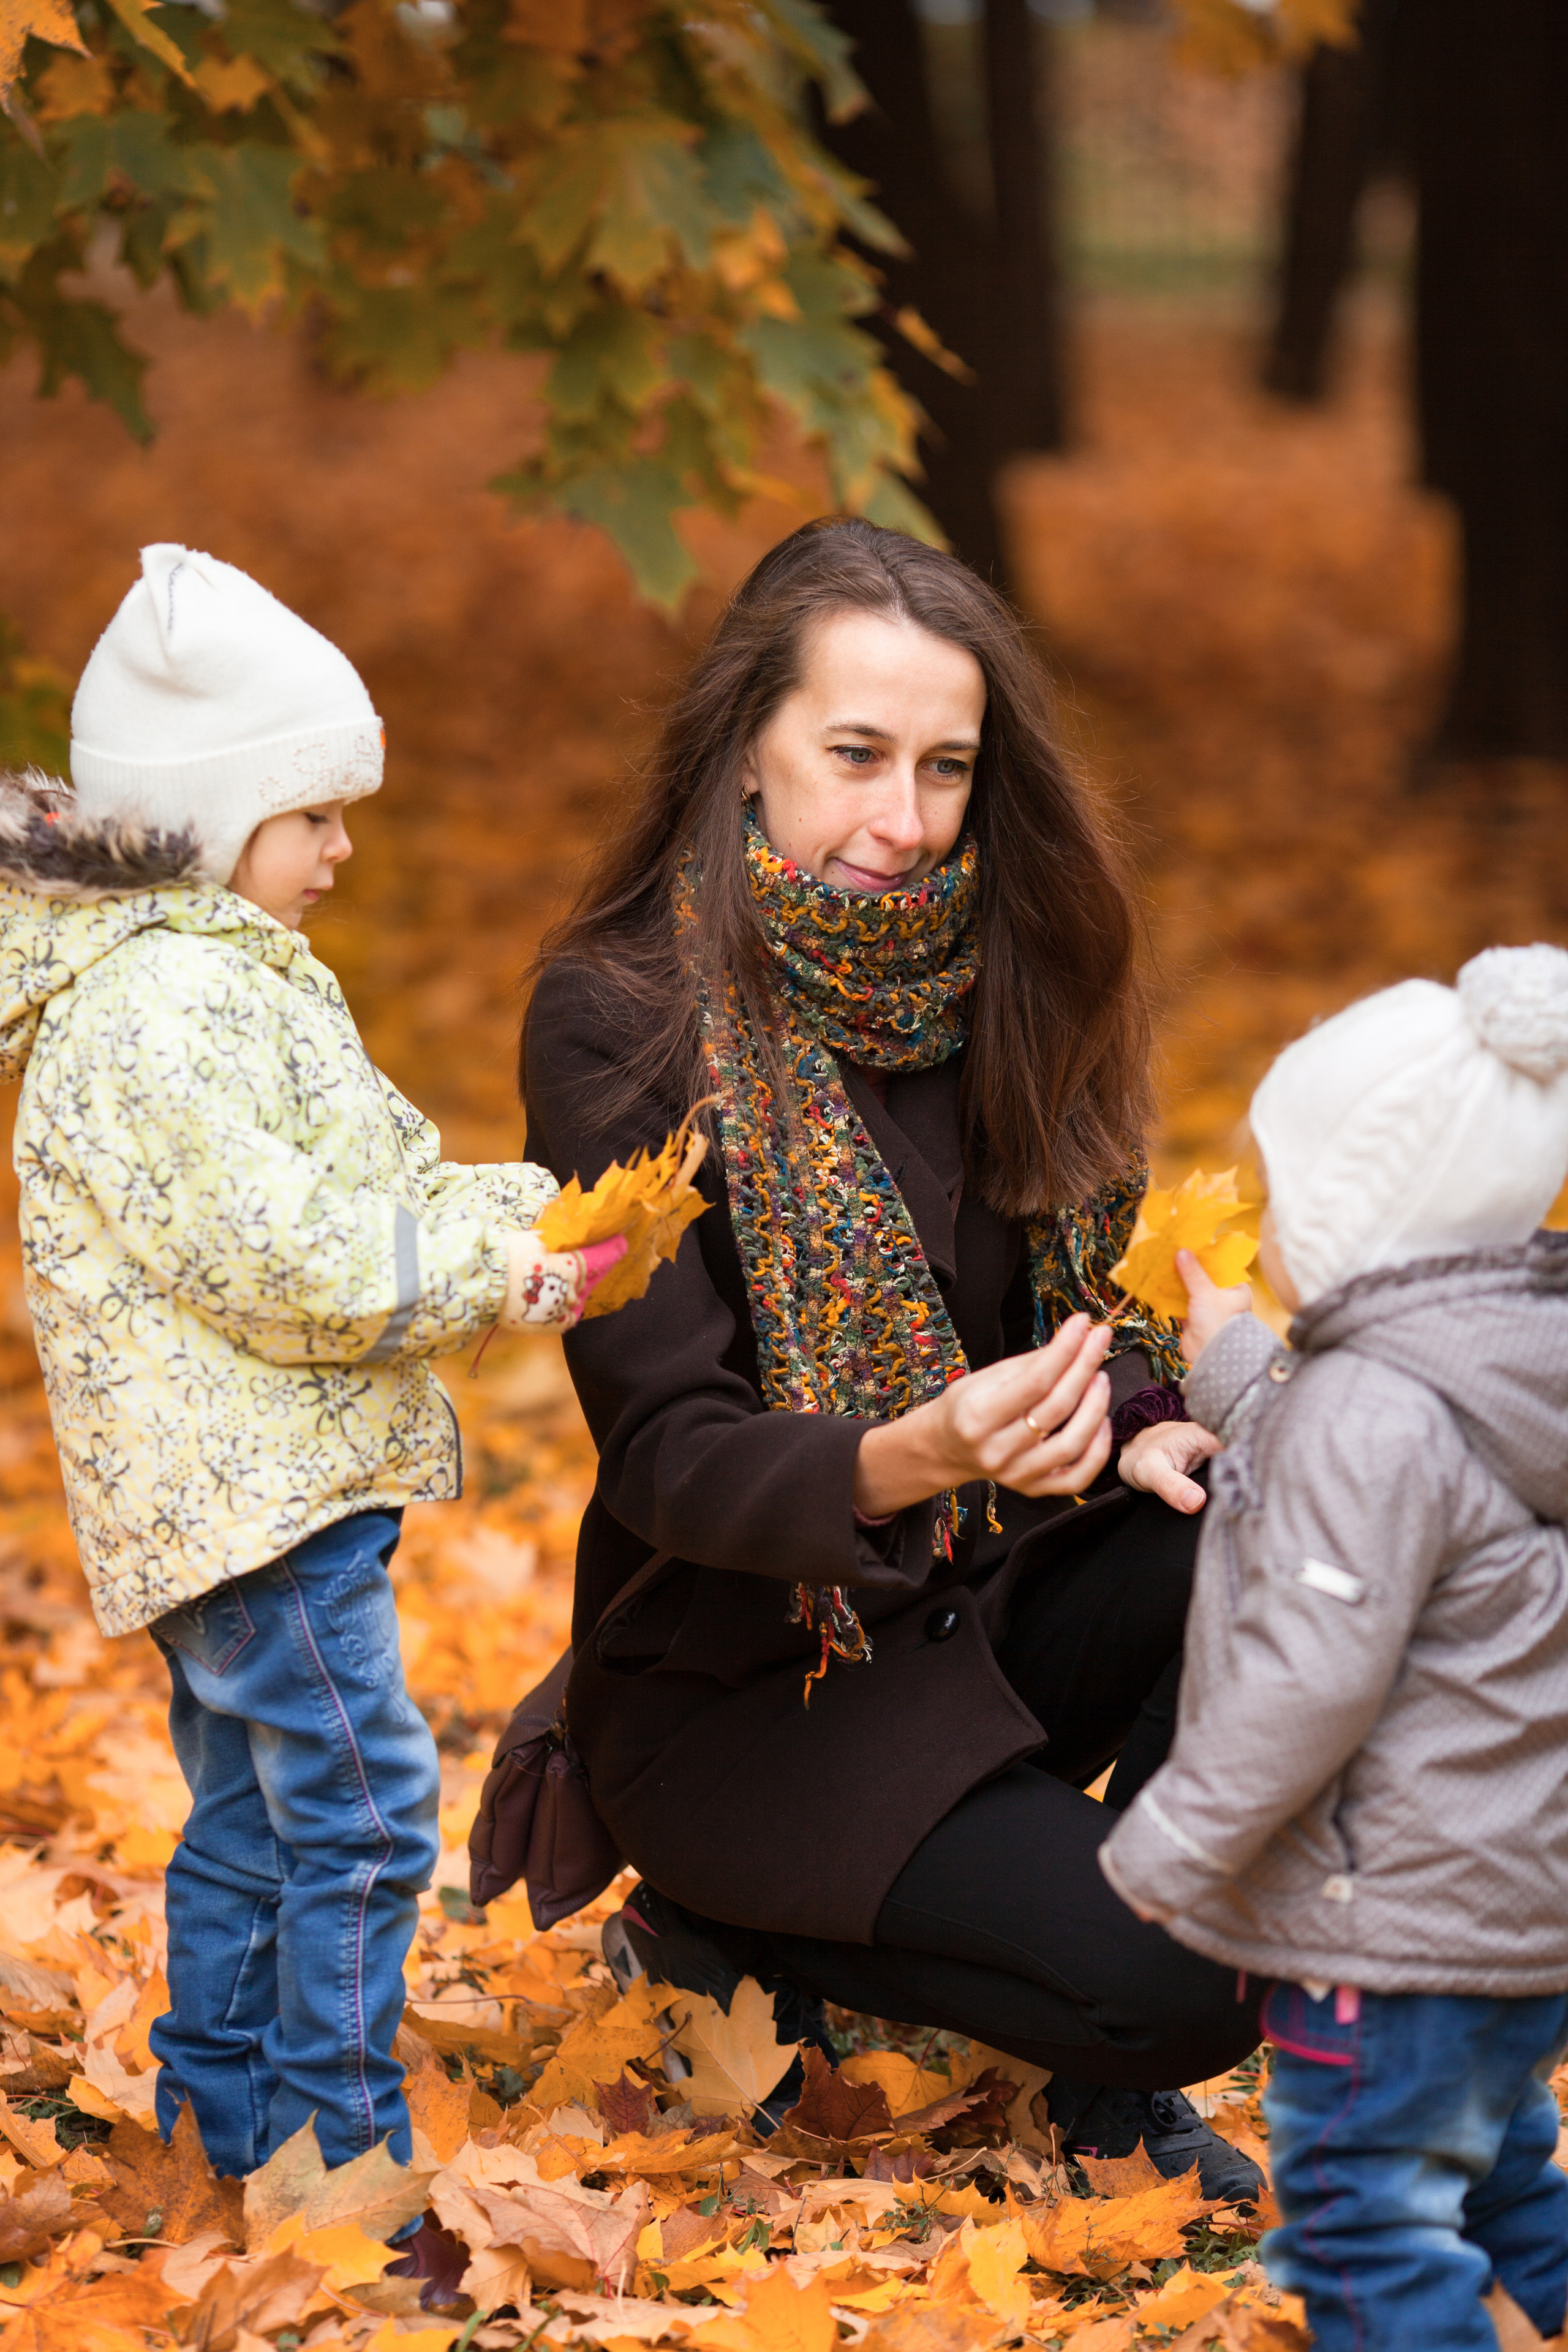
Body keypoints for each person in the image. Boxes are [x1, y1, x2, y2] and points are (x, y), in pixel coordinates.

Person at [521, 517, 1266, 2195]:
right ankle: (724, 1936)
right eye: (855, 756)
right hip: (745, 1683)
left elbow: (1087, 1310)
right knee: (1194, 1986)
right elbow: (665, 1447)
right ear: (745, 752)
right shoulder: (617, 1019)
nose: (904, 822)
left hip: (979, 1614)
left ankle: (1094, 2083)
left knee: (1256, 1517)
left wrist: (1143, 1417)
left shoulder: (1011, 969)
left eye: (945, 768)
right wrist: (922, 1448)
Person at [0, 545, 625, 2193]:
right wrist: (498, 1271)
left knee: (257, 1821)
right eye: (315, 816)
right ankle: (334, 2150)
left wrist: (538, 1217)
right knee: (355, 1811)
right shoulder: (164, 1015)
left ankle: (221, 2116)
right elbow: (289, 1262)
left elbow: (365, 1190)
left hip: (252, 1492)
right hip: (255, 1504)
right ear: (212, 823)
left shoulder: (226, 984)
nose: (346, 847)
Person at [1102, 944, 1568, 2350]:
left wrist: (1170, 1843)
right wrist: (1233, 1366)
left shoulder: (1368, 1414)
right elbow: (1375, 1463)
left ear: (1352, 1211)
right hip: (1511, 1907)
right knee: (1500, 2180)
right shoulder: (1497, 1362)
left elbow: (1309, 1669)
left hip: (1389, 1925)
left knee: (1364, 2215)